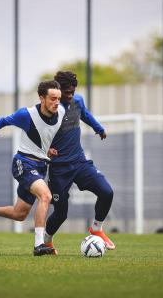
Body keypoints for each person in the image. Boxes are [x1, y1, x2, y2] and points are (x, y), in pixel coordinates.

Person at [0, 80, 65, 256]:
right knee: (45, 196)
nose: (57, 102)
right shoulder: (26, 115)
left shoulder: (61, 112)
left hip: (41, 166)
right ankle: (39, 245)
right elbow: (3, 121)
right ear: (42, 98)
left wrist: (48, 150)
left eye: (59, 99)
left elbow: (44, 136)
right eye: (53, 98)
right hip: (23, 163)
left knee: (20, 213)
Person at [44, 71, 115, 253]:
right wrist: (46, 150)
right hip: (59, 169)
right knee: (61, 214)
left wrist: (99, 128)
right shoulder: (48, 110)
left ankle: (97, 229)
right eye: (66, 92)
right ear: (58, 90)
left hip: (79, 162)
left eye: (72, 91)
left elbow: (85, 114)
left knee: (106, 192)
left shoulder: (77, 101)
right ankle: (46, 241)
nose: (70, 95)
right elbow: (35, 135)